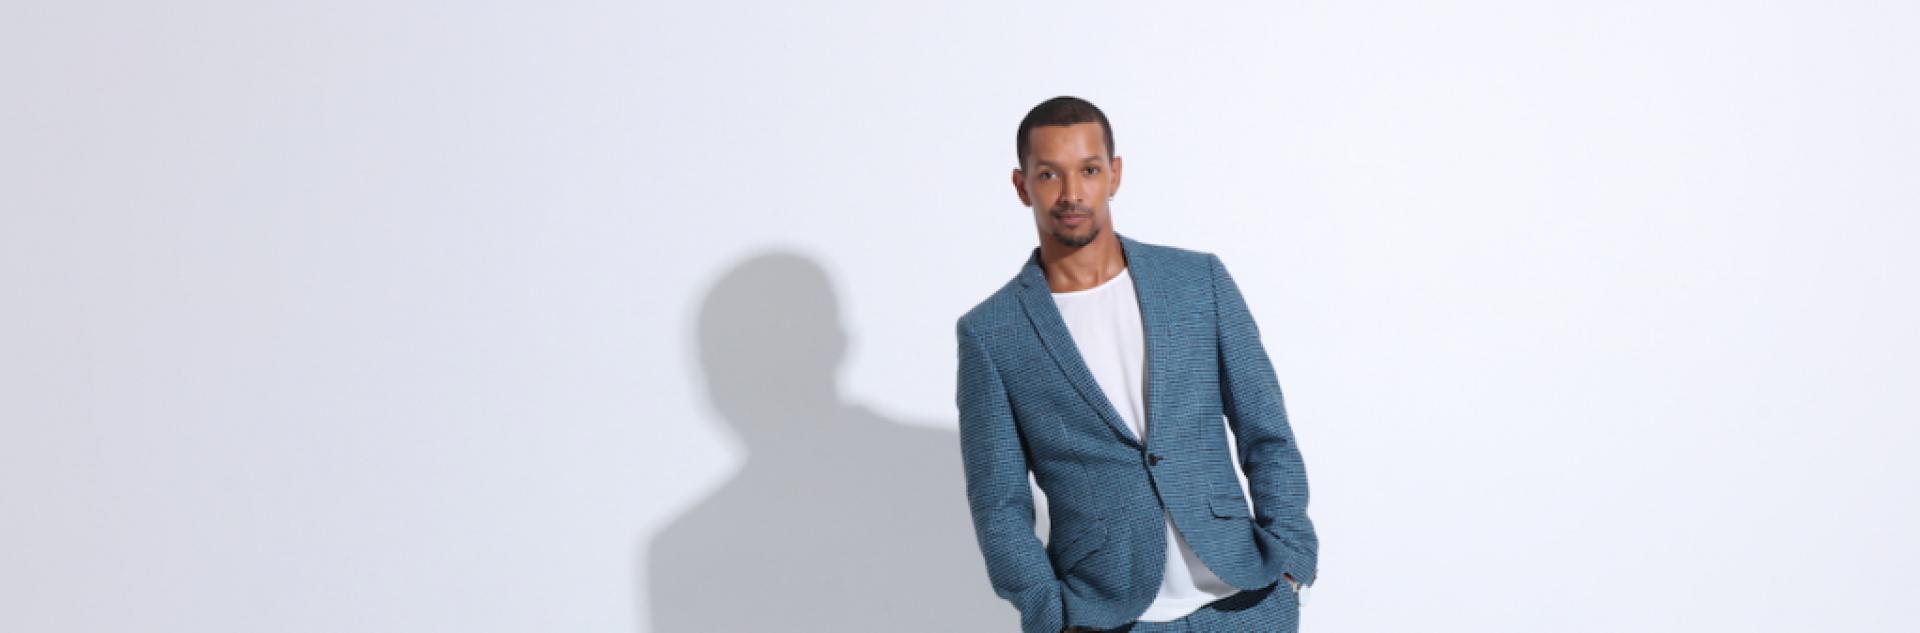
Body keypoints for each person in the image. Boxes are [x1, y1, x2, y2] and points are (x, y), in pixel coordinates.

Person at [954, 96, 1319, 632]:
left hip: (1246, 602)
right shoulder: (992, 332)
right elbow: (998, 503)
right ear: (1021, 185)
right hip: (1110, 616)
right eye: (1049, 174)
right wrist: (1049, 612)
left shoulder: (1198, 282)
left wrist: (1290, 559)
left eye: (1089, 170)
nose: (1072, 193)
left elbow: (1267, 431)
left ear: (1115, 174)